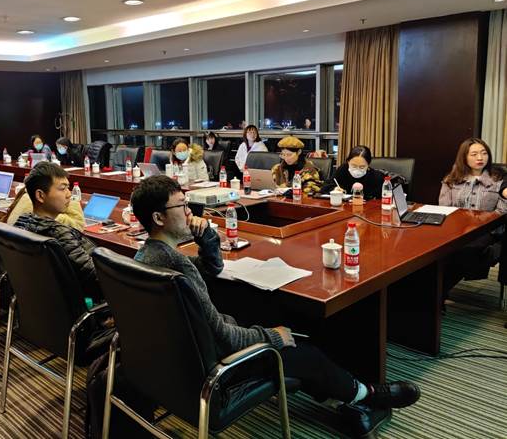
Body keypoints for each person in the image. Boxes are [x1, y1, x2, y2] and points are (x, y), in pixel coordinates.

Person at [131, 175, 421, 438]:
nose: (189, 212)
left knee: (264, 321)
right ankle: (369, 395)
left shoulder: (148, 256)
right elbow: (224, 338)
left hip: (174, 364)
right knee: (304, 352)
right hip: (213, 369)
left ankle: (344, 394)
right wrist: (272, 336)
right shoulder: (178, 268)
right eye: (181, 206)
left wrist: (206, 237)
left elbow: (212, 269)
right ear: (158, 217)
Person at [13, 162, 101, 301]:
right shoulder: (59, 234)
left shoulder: (21, 224)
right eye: (63, 188)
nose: (69, 194)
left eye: (68, 188)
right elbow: (95, 278)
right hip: (77, 304)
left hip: (40, 303)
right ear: (40, 196)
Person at [439, 138, 506, 299]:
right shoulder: (451, 179)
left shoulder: (499, 180)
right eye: (474, 154)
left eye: (484, 153)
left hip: (486, 232)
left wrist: (476, 223)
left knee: (462, 252)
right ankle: (436, 295)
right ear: (464, 157)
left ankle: (437, 295)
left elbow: (501, 212)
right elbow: (445, 208)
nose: (480, 158)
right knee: (435, 252)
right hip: (456, 231)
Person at [321, 146, 386, 199]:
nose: (357, 170)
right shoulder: (343, 169)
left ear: (368, 165)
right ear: (348, 162)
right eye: (354, 166)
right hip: (344, 207)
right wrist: (335, 189)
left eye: (362, 167)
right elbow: (325, 187)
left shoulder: (376, 177)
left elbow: (385, 195)